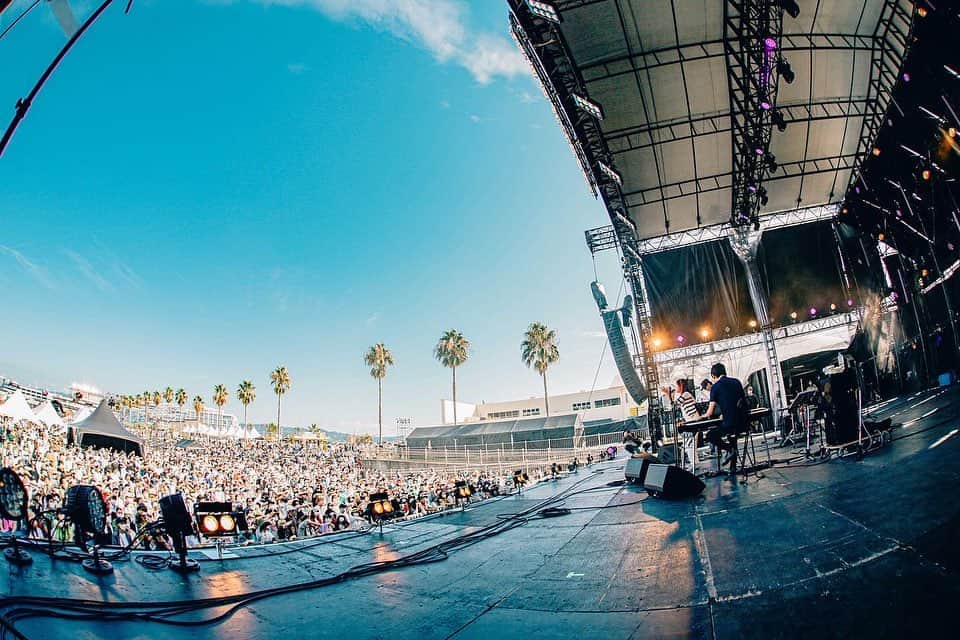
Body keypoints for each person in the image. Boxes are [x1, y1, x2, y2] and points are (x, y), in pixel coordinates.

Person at [702, 363, 748, 473]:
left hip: (729, 425)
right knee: (732, 434)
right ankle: (732, 466)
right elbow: (742, 402)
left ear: (713, 376)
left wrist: (700, 417)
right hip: (743, 424)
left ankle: (729, 449)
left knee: (710, 435)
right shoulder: (737, 382)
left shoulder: (715, 387)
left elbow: (710, 412)